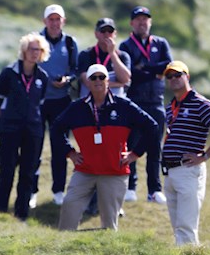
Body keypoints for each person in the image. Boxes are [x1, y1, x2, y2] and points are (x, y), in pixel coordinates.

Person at [54, 64, 156, 231]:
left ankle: (107, 247)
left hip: (114, 171)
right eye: (93, 78)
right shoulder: (77, 107)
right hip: (85, 170)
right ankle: (63, 244)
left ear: (108, 81)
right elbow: (56, 129)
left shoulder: (124, 105)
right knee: (69, 206)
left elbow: (152, 126)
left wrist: (135, 154)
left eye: (101, 77)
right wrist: (70, 152)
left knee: (109, 225)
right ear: (87, 82)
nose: (98, 80)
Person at [161, 61, 210, 246]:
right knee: (177, 226)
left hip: (188, 170)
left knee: (186, 225)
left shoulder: (200, 103)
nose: (174, 79)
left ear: (187, 77)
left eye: (178, 75)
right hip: (171, 171)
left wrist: (205, 156)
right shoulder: (170, 106)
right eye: (170, 76)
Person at [0, 33, 50, 221]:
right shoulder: (9, 73)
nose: (35, 53)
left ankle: (21, 215)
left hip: (33, 130)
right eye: (32, 49)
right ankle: (0, 212)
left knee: (28, 172)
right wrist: (8, 118)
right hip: (9, 128)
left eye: (38, 50)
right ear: (24, 51)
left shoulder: (43, 76)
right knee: (7, 170)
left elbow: (40, 102)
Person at [120, 6, 173, 204]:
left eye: (145, 19)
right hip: (134, 100)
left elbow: (168, 66)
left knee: (155, 146)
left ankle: (154, 190)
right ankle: (130, 186)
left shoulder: (161, 43)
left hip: (156, 101)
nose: (142, 22)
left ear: (150, 22)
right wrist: (154, 72)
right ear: (132, 23)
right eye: (138, 19)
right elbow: (130, 74)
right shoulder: (126, 46)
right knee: (131, 143)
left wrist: (146, 68)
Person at [38, 4, 78, 206]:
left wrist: (67, 79)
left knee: (60, 147)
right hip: (38, 100)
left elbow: (76, 69)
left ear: (63, 21)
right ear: (45, 21)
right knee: (33, 147)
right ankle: (31, 191)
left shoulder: (70, 43)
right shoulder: (36, 40)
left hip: (62, 101)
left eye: (58, 19)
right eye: (51, 19)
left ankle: (58, 191)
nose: (54, 23)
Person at [78, 18, 131, 99]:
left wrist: (112, 53)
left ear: (115, 34)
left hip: (115, 104)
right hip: (90, 103)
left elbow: (125, 79)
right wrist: (118, 84)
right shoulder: (86, 54)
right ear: (96, 34)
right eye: (103, 31)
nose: (107, 34)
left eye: (110, 31)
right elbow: (88, 82)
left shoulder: (122, 56)